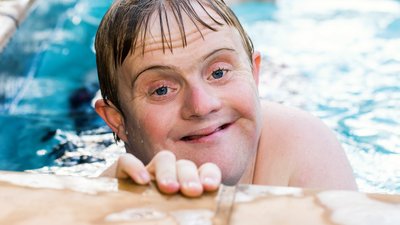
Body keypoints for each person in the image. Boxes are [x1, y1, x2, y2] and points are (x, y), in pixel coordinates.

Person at [94, 0, 357, 197]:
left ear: (254, 75)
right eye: (161, 89)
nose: (202, 105)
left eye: (219, 72)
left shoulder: (303, 146)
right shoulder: (108, 191)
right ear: (117, 121)